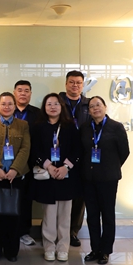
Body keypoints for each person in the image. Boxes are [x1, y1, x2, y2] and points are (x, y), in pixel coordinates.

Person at [30, 94, 80, 262]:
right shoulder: (38, 127)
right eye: (49, 104)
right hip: (47, 176)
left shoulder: (70, 126)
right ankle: (49, 247)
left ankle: (63, 248)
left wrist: (66, 167)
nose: (53, 107)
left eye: (56, 104)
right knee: (49, 216)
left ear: (61, 107)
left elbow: (77, 149)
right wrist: (49, 166)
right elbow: (34, 150)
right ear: (44, 107)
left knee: (65, 216)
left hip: (66, 176)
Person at [80, 96, 129, 265]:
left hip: (108, 179)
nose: (95, 108)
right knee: (92, 215)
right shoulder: (85, 128)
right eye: (92, 106)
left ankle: (106, 250)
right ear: (89, 110)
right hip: (88, 178)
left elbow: (124, 152)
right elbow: (82, 151)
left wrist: (111, 166)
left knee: (107, 215)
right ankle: (95, 249)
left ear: (105, 107)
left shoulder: (116, 127)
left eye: (98, 105)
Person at [0, 92, 30, 262]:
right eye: (3, 104)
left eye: (10, 104)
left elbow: (25, 148)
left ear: (14, 106)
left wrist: (15, 169)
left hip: (15, 177)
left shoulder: (23, 125)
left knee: (13, 216)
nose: (7, 107)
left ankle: (11, 251)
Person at [59, 70, 89, 247]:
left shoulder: (88, 104)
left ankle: (73, 232)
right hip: (61, 156)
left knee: (79, 197)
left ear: (83, 85)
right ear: (66, 84)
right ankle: (57, 230)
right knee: (60, 195)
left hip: (83, 157)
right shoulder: (57, 102)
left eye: (78, 82)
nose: (75, 85)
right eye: (71, 82)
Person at [13, 80, 41, 247]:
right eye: (20, 90)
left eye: (26, 91)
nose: (23, 93)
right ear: (14, 93)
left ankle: (24, 232)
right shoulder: (8, 109)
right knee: (11, 198)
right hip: (9, 163)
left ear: (30, 93)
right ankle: (10, 231)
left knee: (26, 199)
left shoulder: (37, 114)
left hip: (30, 164)